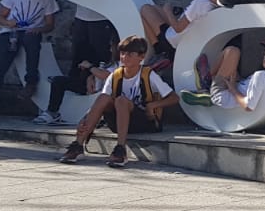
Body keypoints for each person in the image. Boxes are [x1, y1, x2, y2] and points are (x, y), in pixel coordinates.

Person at [59, 36, 179, 168]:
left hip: (145, 121)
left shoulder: (148, 74)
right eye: (122, 53)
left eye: (130, 54)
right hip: (118, 121)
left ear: (141, 56)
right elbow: (102, 101)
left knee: (121, 101)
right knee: (104, 97)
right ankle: (78, 145)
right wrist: (85, 118)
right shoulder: (115, 75)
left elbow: (174, 98)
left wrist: (154, 105)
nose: (124, 57)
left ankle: (120, 149)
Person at [181, 40, 265, 113]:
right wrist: (236, 80)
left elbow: (248, 106)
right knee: (232, 53)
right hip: (232, 87)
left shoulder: (261, 75)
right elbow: (246, 88)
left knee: (232, 51)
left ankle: (206, 81)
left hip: (223, 93)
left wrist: (232, 89)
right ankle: (208, 84)